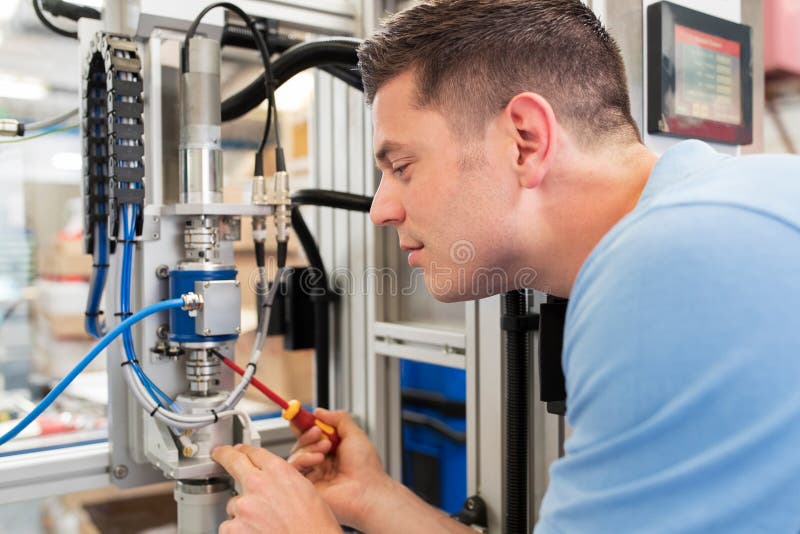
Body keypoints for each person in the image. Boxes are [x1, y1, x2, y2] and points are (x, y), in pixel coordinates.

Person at [212, 0, 800, 532]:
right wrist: (375, 499)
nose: (381, 210)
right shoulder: (733, 204)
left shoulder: (665, 274)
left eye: (402, 165)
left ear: (524, 139)